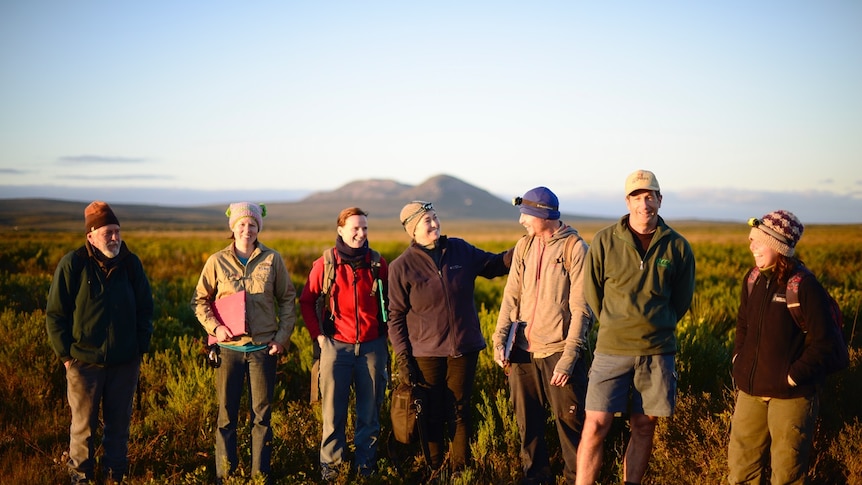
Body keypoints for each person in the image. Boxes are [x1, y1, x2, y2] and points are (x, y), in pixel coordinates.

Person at [576, 170, 696, 485]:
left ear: (659, 199)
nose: (645, 204)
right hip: (611, 348)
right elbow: (593, 292)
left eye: (650, 196)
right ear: (627, 201)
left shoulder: (678, 247)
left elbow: (681, 300)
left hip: (657, 351)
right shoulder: (604, 240)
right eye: (637, 197)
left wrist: (658, 325)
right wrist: (615, 323)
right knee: (596, 424)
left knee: (644, 426)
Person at [387, 201, 513, 474]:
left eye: (434, 218)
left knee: (459, 409)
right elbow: (395, 317)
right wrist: (403, 359)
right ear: (413, 230)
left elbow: (493, 265)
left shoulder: (460, 249)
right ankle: (435, 467)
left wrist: (525, 248)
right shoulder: (401, 267)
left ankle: (459, 469)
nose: (434, 224)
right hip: (426, 353)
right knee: (431, 412)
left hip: (464, 349)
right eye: (427, 222)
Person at [46, 201, 154, 484]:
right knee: (83, 428)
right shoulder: (74, 264)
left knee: (119, 426)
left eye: (117, 231)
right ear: (91, 235)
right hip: (84, 364)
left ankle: (114, 476)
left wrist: (139, 349)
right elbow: (55, 314)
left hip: (124, 363)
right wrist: (68, 358)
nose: (115, 238)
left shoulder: (131, 264)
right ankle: (80, 478)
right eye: (108, 232)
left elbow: (146, 308)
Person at [492, 186, 593, 485]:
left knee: (571, 424)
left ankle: (577, 479)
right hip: (522, 350)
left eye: (526, 215)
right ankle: (535, 478)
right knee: (528, 423)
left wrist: (569, 358)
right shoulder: (524, 246)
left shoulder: (575, 248)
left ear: (543, 215)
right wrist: (501, 340)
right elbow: (511, 297)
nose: (522, 221)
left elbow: (582, 310)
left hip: (559, 351)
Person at [191, 202, 296, 483]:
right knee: (226, 417)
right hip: (229, 351)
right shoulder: (216, 261)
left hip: (263, 350)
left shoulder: (272, 260)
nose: (246, 229)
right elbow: (200, 301)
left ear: (258, 227)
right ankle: (226, 477)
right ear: (233, 228)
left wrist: (281, 339)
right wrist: (216, 328)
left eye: (252, 224)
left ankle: (260, 476)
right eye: (241, 224)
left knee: (261, 418)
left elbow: (287, 300)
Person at [728, 210, 832, 484]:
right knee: (740, 472)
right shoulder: (752, 279)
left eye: (758, 242)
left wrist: (793, 376)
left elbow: (826, 343)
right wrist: (739, 359)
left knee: (786, 476)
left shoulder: (804, 286)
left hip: (791, 396)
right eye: (751, 240)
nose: (752, 247)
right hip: (750, 391)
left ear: (778, 246)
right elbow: (743, 325)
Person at [299, 207, 390, 480]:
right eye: (355, 228)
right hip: (336, 348)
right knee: (333, 414)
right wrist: (319, 337)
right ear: (340, 230)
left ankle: (366, 468)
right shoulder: (325, 264)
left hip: (372, 348)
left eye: (364, 228)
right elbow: (306, 301)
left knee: (370, 414)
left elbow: (391, 303)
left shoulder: (377, 263)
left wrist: (384, 336)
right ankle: (332, 470)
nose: (361, 234)